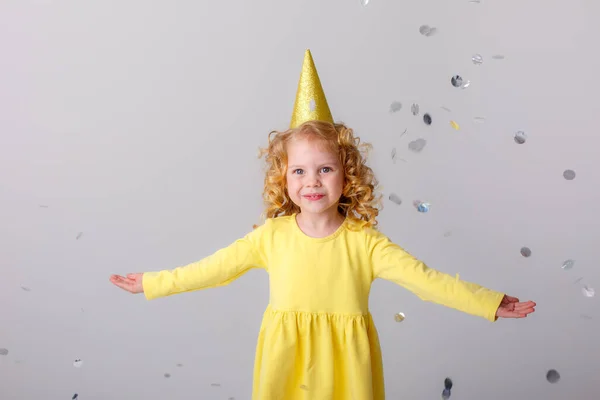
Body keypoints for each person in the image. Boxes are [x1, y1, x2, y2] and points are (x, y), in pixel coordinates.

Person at [110, 49, 536, 400]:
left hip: (346, 371)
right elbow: (211, 270)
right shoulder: (271, 238)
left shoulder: (364, 244)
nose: (311, 181)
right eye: (299, 172)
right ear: (283, 178)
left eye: (325, 169)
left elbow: (427, 281)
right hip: (286, 364)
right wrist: (153, 282)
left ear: (347, 174)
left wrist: (488, 302)